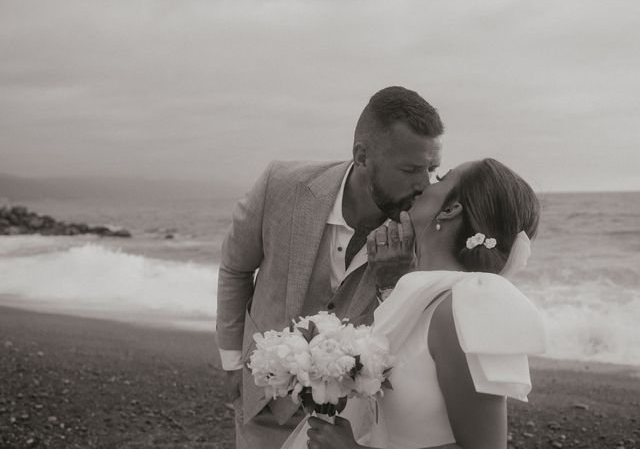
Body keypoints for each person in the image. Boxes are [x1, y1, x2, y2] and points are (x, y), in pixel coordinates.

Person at [216, 86, 444, 449]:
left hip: (353, 423)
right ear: (362, 156)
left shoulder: (425, 231)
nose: (424, 184)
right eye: (410, 169)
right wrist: (231, 360)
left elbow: (414, 335)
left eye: (432, 169)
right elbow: (235, 267)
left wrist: (395, 279)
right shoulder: (281, 184)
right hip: (263, 400)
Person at [306, 158, 546, 449]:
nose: (426, 183)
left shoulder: (463, 308)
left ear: (450, 209)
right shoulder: (416, 297)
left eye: (442, 178)